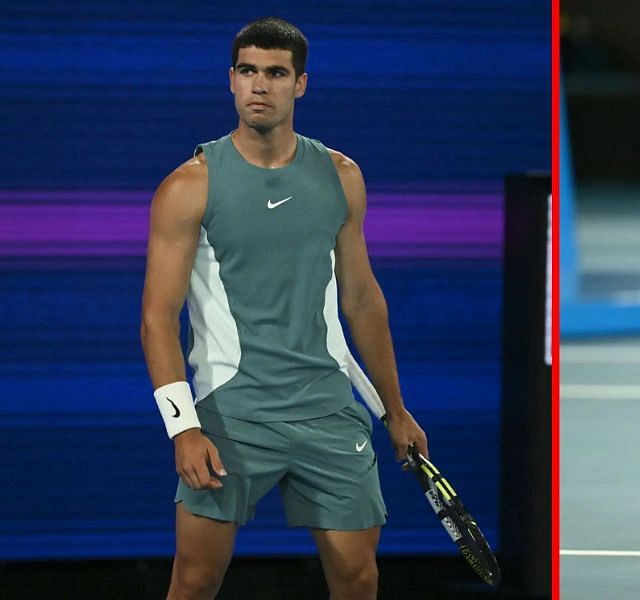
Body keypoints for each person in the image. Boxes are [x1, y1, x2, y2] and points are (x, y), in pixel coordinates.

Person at [140, 17, 427, 599]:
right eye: (248, 71)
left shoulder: (341, 176)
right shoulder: (188, 187)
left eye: (275, 73)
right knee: (194, 581)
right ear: (231, 81)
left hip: (327, 408)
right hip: (229, 416)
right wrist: (183, 428)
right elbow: (155, 318)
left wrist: (395, 408)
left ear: (300, 84)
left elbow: (363, 298)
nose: (259, 86)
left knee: (358, 576)